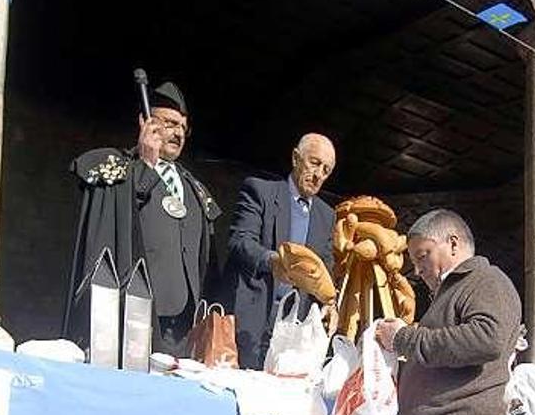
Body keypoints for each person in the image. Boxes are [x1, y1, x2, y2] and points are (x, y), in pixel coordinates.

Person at [62, 81, 223, 357]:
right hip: (131, 317)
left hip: (184, 328)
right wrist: (146, 166)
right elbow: (116, 220)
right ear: (144, 121)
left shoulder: (196, 189)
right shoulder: (119, 169)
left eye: (183, 127)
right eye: (170, 123)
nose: (178, 133)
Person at [375, 209, 522, 415]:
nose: (418, 271)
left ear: (453, 244)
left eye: (423, 256)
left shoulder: (486, 280)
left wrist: (403, 339)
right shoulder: (452, 293)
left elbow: (488, 338)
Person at [223, 133, 337, 369]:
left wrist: (330, 302)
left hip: (292, 330)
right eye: (314, 163)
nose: (318, 175)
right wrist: (273, 261)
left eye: (326, 170)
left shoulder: (326, 216)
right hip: (251, 319)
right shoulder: (260, 191)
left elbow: (325, 266)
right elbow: (240, 241)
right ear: (296, 158)